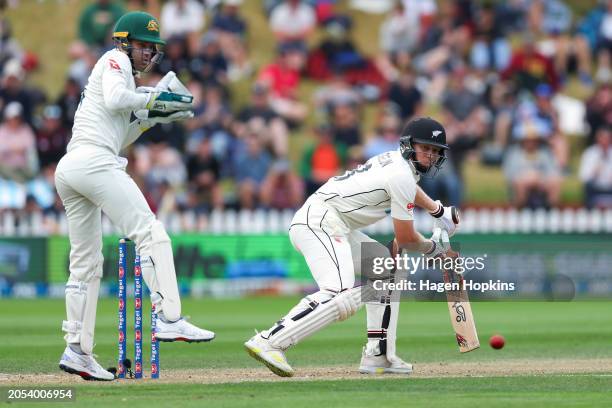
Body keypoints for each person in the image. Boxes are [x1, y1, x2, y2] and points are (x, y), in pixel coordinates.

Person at [54, 11, 215, 382]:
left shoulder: (121, 75)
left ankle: (77, 350)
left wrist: (152, 116)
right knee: (151, 232)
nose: (148, 54)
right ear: (124, 42)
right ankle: (169, 317)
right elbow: (116, 100)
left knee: (86, 264)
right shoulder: (113, 61)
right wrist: (152, 98)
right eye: (143, 46)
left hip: (74, 167)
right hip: (93, 162)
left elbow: (120, 132)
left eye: (153, 48)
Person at [244, 117, 459, 376]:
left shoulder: (393, 161)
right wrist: (433, 249)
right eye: (425, 148)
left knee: (386, 267)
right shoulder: (401, 174)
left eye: (436, 152)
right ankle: (269, 341)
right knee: (339, 293)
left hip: (334, 222)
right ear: (409, 145)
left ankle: (379, 355)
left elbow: (408, 188)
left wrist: (437, 210)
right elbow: (405, 238)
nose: (430, 156)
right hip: (321, 221)